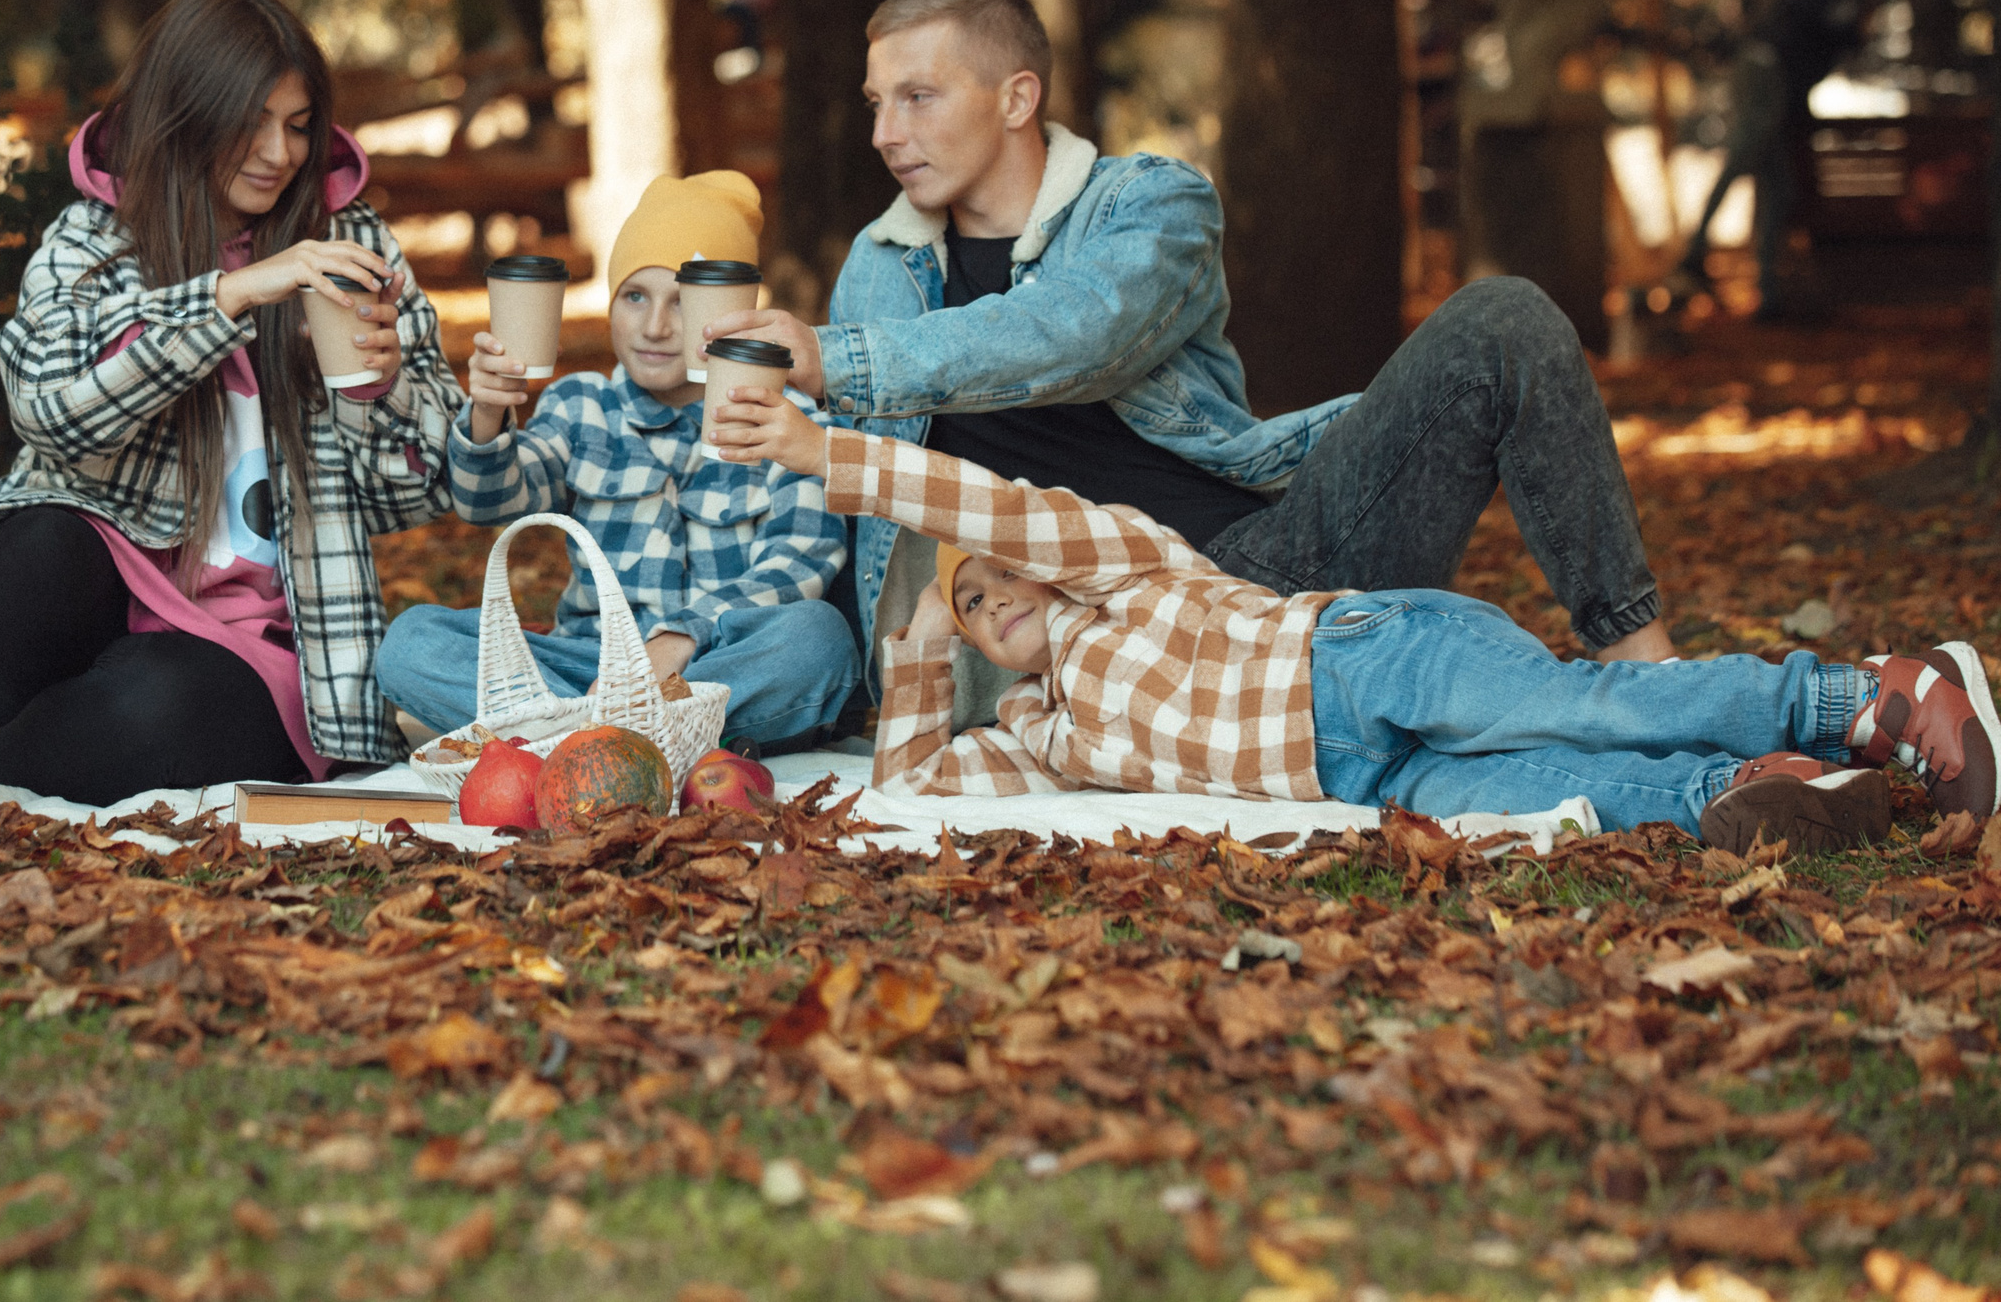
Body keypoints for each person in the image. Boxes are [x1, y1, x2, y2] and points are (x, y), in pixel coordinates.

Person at [703, 0, 1677, 728]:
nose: (883, 131)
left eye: (916, 97)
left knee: (1501, 319)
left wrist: (842, 359)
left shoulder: (1150, 207)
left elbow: (1077, 334)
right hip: (1059, 642)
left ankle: (1646, 673)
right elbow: (835, 491)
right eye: (875, 102)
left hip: (1253, 576)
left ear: (1014, 98)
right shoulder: (882, 264)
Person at [710, 391, 2001, 852]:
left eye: (999, 577)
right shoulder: (1042, 737)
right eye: (973, 605)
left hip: (1363, 655)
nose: (990, 595)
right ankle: (1769, 787)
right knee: (1548, 790)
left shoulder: (1125, 566)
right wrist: (923, 633)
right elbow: (916, 787)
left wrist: (840, 458)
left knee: (1578, 699)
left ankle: (1868, 692)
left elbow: (988, 502)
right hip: (1362, 772)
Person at [0, 0, 461, 806]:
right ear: (185, 114)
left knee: (148, 701)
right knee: (37, 548)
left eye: (297, 127)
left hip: (250, 644)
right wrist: (235, 294)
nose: (279, 153)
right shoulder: (96, 237)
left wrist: (386, 385)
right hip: (93, 597)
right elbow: (50, 407)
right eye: (249, 122)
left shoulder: (351, 245)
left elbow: (425, 488)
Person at [377, 171, 860, 754]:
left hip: (712, 669)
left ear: (730, 311)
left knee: (819, 640)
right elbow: (488, 502)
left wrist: (680, 638)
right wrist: (485, 411)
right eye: (635, 296)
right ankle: (618, 739)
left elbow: (798, 564)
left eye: (683, 303)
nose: (655, 327)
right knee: (412, 642)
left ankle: (572, 742)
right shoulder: (582, 407)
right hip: (586, 666)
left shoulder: (788, 418)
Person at [1673, 0, 1868, 319]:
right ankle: (1695, 250)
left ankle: (1768, 294)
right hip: (1765, 74)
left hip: (1767, 79)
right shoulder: (1838, 13)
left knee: (1780, 191)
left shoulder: (1826, 11)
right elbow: (1807, 52)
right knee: (1740, 162)